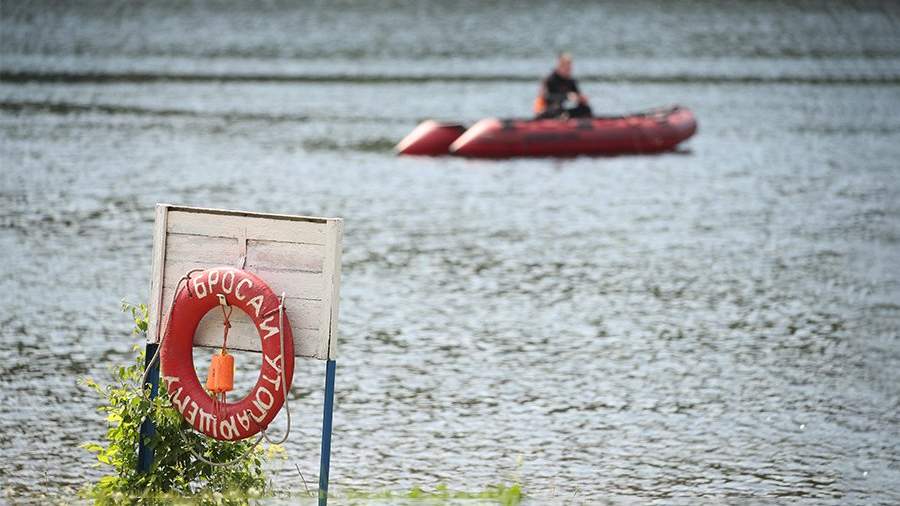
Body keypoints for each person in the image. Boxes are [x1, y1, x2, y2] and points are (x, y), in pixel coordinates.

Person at [534, 52, 593, 119]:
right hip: (548, 110)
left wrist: (581, 99)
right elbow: (546, 97)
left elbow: (577, 96)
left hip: (563, 111)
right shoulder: (550, 80)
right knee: (556, 108)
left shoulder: (571, 81)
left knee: (586, 109)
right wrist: (566, 96)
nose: (569, 69)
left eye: (570, 66)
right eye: (566, 66)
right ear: (560, 65)